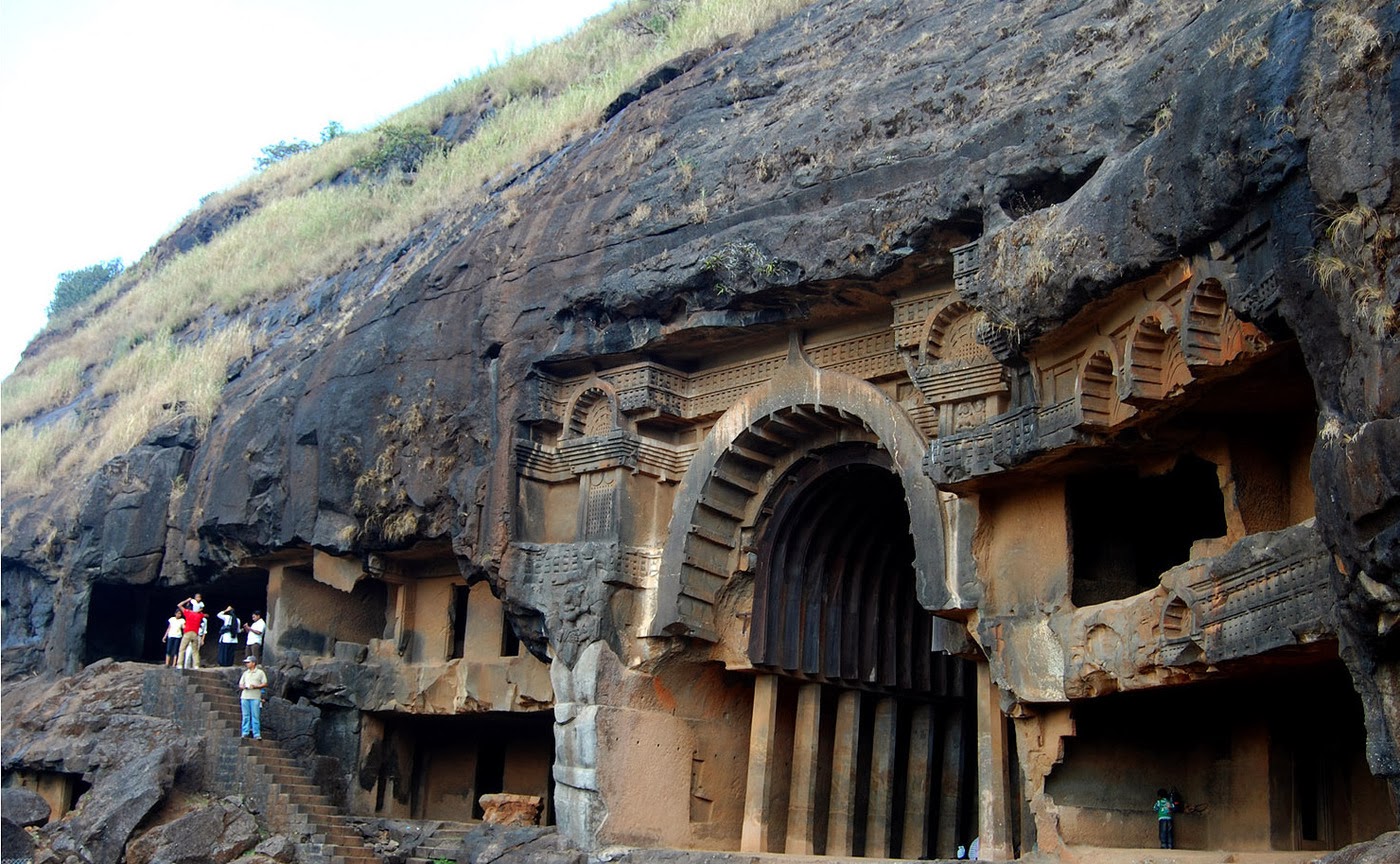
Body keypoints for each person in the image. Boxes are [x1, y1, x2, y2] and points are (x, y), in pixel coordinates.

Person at [237, 656, 268, 739]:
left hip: (255, 697)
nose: (247, 664)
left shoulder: (260, 673)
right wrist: (243, 687)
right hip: (245, 696)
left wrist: (256, 686)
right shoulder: (245, 673)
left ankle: (256, 733)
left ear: (253, 663)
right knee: (246, 715)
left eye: (248, 662)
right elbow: (240, 684)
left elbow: (265, 683)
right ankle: (245, 732)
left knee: (255, 715)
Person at [176, 598, 206, 669]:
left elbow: (179, 605)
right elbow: (203, 613)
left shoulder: (188, 612)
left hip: (187, 633)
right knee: (195, 651)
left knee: (182, 649)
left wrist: (187, 600)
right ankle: (196, 665)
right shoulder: (199, 615)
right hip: (195, 634)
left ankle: (180, 664)